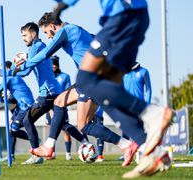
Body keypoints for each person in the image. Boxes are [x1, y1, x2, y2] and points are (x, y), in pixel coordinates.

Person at [51, 0, 173, 177]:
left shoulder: (72, 30)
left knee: (86, 80)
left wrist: (63, 4)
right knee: (106, 94)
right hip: (134, 17)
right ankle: (152, 152)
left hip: (122, 17)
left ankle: (153, 113)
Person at [15, 13, 138, 167]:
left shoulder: (64, 31)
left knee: (84, 125)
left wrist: (24, 63)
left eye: (46, 32)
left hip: (94, 79)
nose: (47, 36)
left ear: (53, 26)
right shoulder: (77, 29)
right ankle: (49, 146)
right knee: (59, 102)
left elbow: (47, 53)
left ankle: (127, 145)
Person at [0, 22, 88, 163]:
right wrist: (21, 62)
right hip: (54, 90)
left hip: (47, 92)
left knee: (27, 120)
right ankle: (86, 143)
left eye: (25, 35)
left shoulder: (35, 47)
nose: (23, 39)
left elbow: (25, 72)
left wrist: (3, 72)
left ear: (33, 33)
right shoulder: (41, 46)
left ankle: (37, 155)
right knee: (63, 124)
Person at [45, 55, 73, 160]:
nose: (53, 66)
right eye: (51, 64)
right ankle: (52, 153)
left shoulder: (65, 76)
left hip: (61, 106)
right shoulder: (48, 76)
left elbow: (68, 91)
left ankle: (68, 154)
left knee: (65, 129)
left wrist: (64, 104)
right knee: (51, 130)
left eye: (54, 64)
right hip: (49, 107)